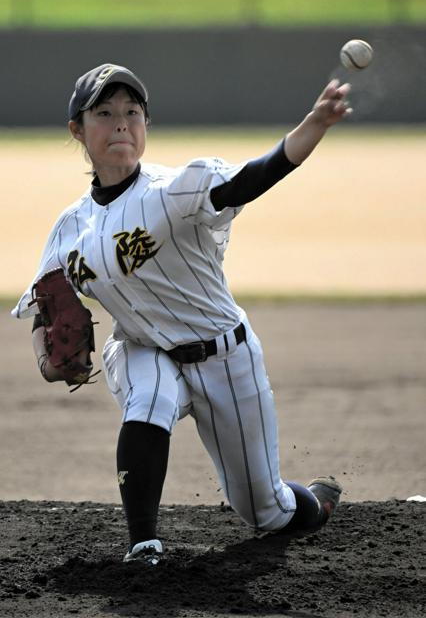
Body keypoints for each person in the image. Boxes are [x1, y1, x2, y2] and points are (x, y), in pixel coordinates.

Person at [12, 63, 350, 565]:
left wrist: (314, 125)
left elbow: (251, 179)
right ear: (77, 131)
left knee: (267, 512)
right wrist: (47, 362)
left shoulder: (173, 192)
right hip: (142, 348)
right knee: (148, 394)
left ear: (146, 125)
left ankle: (315, 502)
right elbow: (46, 305)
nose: (121, 123)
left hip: (224, 356)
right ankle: (143, 544)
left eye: (132, 112)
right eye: (104, 113)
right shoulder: (69, 228)